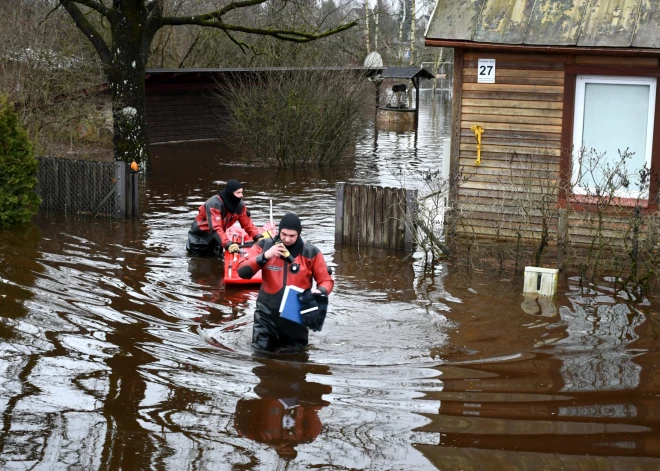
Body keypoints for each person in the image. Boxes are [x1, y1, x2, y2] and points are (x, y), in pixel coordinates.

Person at [237, 212, 334, 351]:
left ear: (299, 234)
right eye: (283, 234)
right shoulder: (264, 245)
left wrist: (319, 291)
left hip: (295, 316)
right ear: (279, 231)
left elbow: (326, 281)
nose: (287, 239)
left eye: (292, 236)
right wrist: (265, 256)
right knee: (260, 357)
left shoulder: (311, 252)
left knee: (295, 361)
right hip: (266, 315)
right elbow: (242, 271)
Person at [186, 179, 263, 256]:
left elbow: (247, 223)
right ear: (230, 194)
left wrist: (257, 237)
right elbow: (215, 228)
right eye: (238, 193)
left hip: (216, 241)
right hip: (199, 241)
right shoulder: (214, 204)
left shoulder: (240, 206)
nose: (241, 195)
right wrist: (228, 244)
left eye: (242, 192)